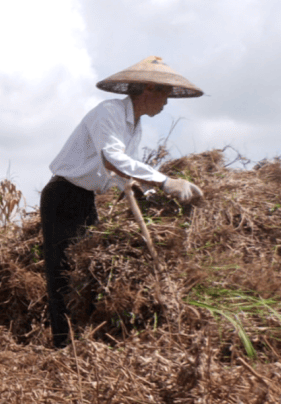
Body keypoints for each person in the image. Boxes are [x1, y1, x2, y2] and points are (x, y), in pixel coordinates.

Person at [41, 56, 204, 349]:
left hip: (85, 198)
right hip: (63, 197)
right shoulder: (109, 113)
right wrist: (165, 181)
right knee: (63, 273)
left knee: (84, 272)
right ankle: (62, 347)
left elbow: (120, 175)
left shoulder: (134, 127)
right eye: (164, 93)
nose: (166, 102)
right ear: (148, 89)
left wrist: (151, 195)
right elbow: (113, 160)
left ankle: (82, 342)